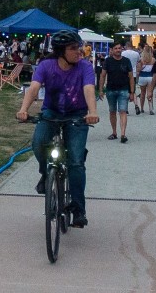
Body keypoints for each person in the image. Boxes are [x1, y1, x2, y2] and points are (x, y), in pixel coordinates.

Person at [16, 30, 99, 229]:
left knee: (76, 162)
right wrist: (23, 109)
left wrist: (92, 111)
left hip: (77, 115)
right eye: (73, 48)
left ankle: (78, 209)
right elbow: (34, 88)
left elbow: (89, 89)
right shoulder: (46, 66)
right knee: (38, 143)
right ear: (61, 51)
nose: (78, 51)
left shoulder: (85, 67)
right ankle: (46, 173)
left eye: (78, 47)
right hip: (51, 114)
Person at [99, 41, 135, 143]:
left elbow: (131, 77)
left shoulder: (126, 61)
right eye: (116, 48)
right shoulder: (108, 61)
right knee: (112, 111)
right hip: (111, 89)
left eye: (119, 48)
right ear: (112, 50)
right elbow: (103, 75)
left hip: (124, 89)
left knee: (123, 111)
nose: (118, 50)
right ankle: (114, 132)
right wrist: (101, 89)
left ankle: (123, 134)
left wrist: (132, 92)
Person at [136, 46, 156, 115]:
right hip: (150, 77)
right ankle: (151, 108)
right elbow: (155, 70)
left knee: (142, 93)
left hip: (142, 77)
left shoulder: (141, 59)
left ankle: (142, 108)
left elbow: (138, 70)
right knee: (150, 93)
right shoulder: (153, 60)